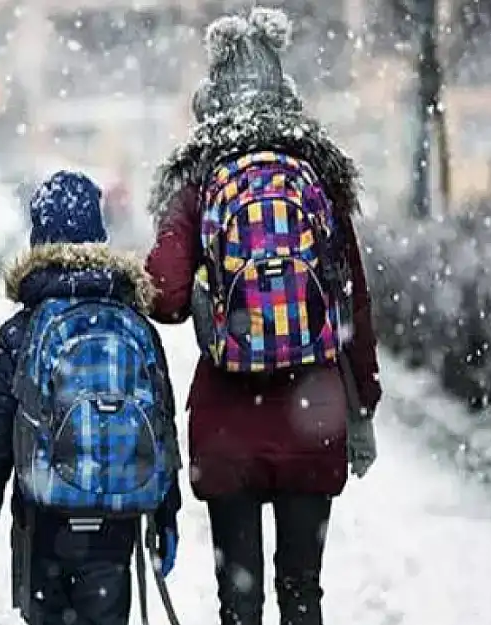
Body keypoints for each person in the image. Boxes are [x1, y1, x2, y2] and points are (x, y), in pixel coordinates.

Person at [143, 8, 382, 625]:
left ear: (211, 97)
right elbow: (352, 298)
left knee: (240, 600)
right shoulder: (317, 177)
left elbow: (164, 296)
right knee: (302, 589)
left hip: (228, 423)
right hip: (314, 412)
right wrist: (363, 407)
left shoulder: (199, 181)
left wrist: (204, 290)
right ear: (286, 91)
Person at [0, 171, 182, 625]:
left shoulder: (20, 332)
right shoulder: (134, 324)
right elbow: (161, 423)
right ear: (99, 235)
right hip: (117, 519)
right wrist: (166, 512)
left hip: (45, 517)